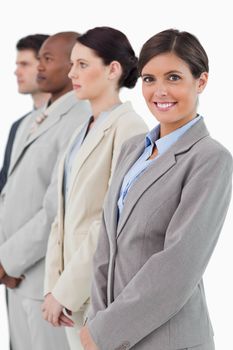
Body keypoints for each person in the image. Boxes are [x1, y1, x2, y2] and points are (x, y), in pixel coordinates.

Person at [80, 29, 233, 350]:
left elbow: (178, 266)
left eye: (174, 77)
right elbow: (105, 246)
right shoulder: (133, 149)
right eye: (149, 79)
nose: (160, 91)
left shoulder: (210, 158)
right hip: (110, 334)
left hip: (167, 339)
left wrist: (104, 332)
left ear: (201, 81)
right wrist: (94, 322)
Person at [42, 26, 148, 349]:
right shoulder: (80, 131)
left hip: (97, 291)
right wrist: (52, 288)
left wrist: (65, 291)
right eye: (72, 64)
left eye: (83, 65)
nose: (72, 72)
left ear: (113, 70)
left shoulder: (129, 128)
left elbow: (110, 222)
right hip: (69, 296)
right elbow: (62, 215)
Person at [0, 31, 91, 350]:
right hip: (15, 279)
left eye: (46, 59)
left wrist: (8, 260)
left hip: (42, 279)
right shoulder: (31, 121)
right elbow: (10, 194)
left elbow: (57, 207)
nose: (38, 66)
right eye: (36, 59)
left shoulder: (81, 120)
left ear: (72, 66)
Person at [0, 34, 50, 193]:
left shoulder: (77, 121)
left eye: (25, 64)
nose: (16, 72)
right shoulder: (18, 127)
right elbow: (5, 183)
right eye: (17, 64)